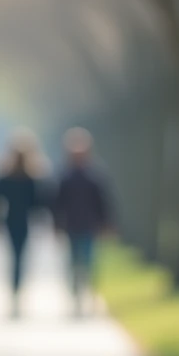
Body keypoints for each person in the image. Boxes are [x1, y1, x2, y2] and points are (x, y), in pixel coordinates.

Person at [52, 127, 115, 316]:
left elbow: (103, 201)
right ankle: (75, 295)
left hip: (89, 225)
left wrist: (107, 223)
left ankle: (88, 294)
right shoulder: (64, 176)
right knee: (73, 261)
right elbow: (57, 202)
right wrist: (56, 224)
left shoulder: (95, 175)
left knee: (88, 261)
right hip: (71, 226)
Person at [0, 132, 48, 317]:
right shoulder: (22, 178)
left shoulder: (22, 178)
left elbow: (38, 203)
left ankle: (16, 290)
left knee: (17, 257)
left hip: (16, 221)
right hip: (18, 222)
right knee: (18, 257)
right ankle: (16, 290)